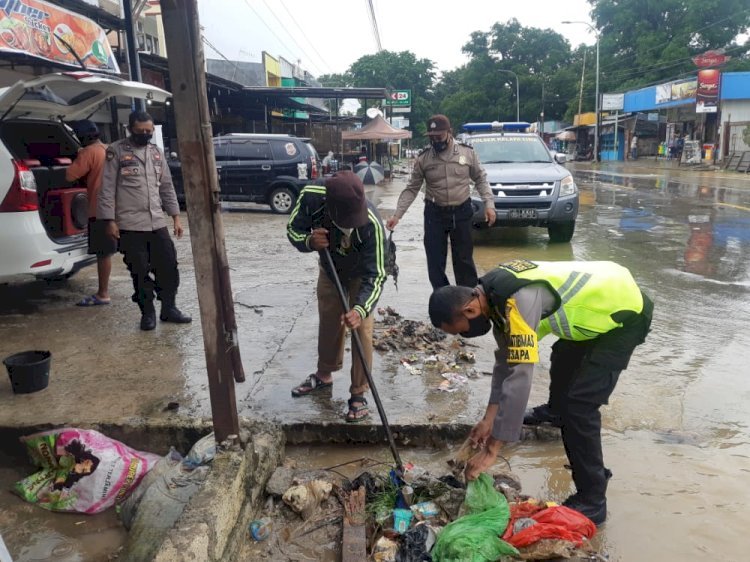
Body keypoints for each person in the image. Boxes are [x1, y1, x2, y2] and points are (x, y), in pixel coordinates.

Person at [428, 259, 653, 525]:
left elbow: (521, 375)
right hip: (596, 305)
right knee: (562, 358)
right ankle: (555, 412)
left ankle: (593, 500)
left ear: (469, 309)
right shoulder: (492, 295)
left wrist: (492, 450)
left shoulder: (517, 302)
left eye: (461, 331)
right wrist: (489, 420)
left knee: (580, 407)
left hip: (625, 313)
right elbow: (505, 364)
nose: (466, 336)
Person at [287, 170, 387, 422]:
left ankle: (358, 392)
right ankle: (324, 374)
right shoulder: (311, 196)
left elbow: (376, 275)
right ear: (329, 208)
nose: (351, 225)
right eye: (346, 220)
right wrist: (309, 241)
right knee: (330, 319)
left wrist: (360, 309)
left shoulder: (372, 224)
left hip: (361, 274)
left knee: (361, 327)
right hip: (330, 269)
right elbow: (292, 230)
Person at [97, 111, 191, 331]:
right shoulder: (116, 151)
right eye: (141, 132)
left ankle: (169, 308)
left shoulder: (156, 153)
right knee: (139, 270)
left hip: (157, 222)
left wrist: (176, 217)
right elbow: (107, 188)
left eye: (149, 131)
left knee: (168, 266)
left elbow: (167, 187)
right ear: (130, 129)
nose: (145, 135)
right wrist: (109, 220)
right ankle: (147, 313)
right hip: (130, 225)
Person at [386, 115, 496, 289]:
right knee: (435, 263)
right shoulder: (424, 158)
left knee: (464, 261)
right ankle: (443, 302)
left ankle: (468, 301)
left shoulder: (467, 153)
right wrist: (397, 215)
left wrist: (489, 205)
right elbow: (412, 188)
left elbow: (480, 179)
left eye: (439, 136)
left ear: (449, 132)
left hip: (461, 212)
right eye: (432, 137)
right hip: (434, 214)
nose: (436, 140)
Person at [66, 120, 114, 307]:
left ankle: (103, 294)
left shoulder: (88, 152)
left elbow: (70, 175)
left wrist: (77, 157)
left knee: (103, 253)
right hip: (115, 207)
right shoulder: (109, 149)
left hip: (99, 208)